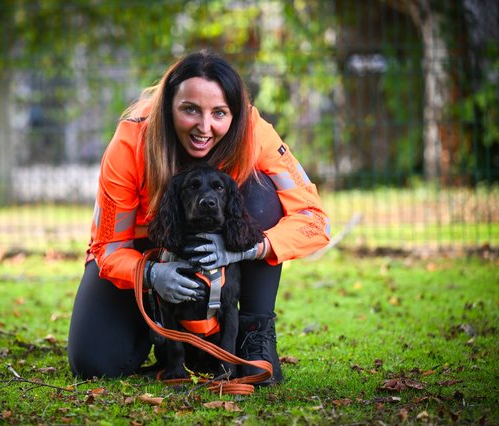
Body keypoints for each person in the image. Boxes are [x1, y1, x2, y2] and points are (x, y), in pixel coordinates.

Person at [67, 50, 330, 385]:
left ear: (235, 113)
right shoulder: (130, 141)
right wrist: (149, 273)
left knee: (264, 194)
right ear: (168, 107)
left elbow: (315, 219)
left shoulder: (255, 133)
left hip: (231, 240)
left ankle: (253, 335)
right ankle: (159, 329)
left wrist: (249, 249)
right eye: (190, 110)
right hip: (144, 248)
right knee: (94, 363)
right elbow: (108, 246)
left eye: (219, 113)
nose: (204, 128)